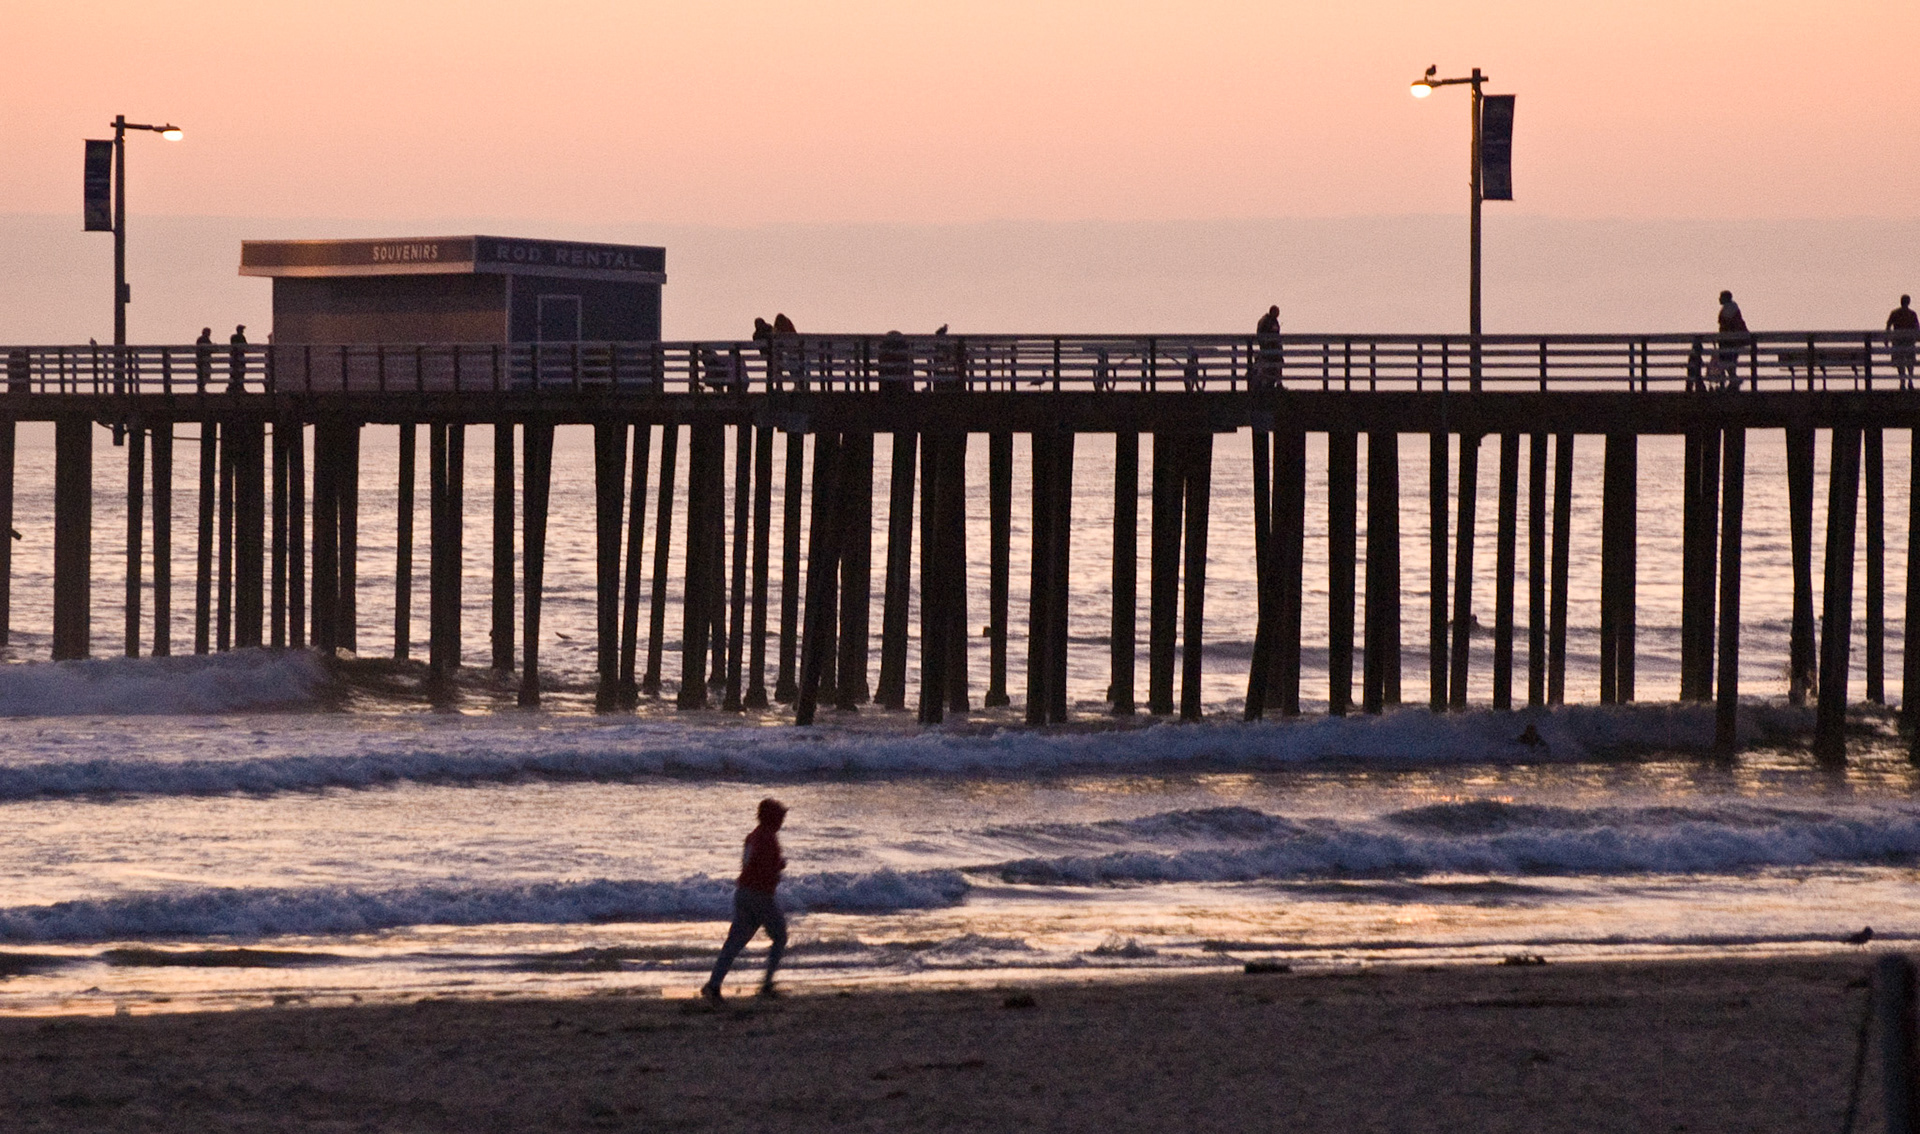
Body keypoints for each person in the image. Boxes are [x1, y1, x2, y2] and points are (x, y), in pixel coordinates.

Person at [701, 798, 789, 1002]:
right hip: (760, 896)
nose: (782, 820)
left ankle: (713, 984)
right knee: (780, 936)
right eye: (780, 816)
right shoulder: (767, 838)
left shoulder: (753, 836)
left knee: (734, 943)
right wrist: (779, 866)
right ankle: (766, 984)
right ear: (772, 818)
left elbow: (750, 864)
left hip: (744, 893)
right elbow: (765, 867)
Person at [1713, 291, 1746, 390]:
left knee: (1727, 360)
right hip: (1730, 340)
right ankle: (1733, 380)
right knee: (1729, 361)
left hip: (1729, 341)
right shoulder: (1731, 308)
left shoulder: (1729, 309)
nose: (1719, 299)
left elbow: (1726, 325)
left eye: (1721, 297)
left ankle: (1733, 380)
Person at [1887, 295, 1917, 389]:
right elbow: (1917, 328)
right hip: (1909, 342)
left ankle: (1902, 381)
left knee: (1900, 363)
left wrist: (1886, 339)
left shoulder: (1895, 313)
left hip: (1898, 341)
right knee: (1910, 362)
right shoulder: (1912, 314)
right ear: (1909, 302)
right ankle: (1910, 381)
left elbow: (1888, 326)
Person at [1254, 304, 1281, 387]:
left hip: (1272, 349)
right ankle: (1273, 383)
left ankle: (1275, 383)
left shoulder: (1271, 320)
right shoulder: (1266, 321)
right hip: (1268, 349)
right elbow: (1263, 335)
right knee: (1273, 365)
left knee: (1276, 364)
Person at [228, 324, 248, 392]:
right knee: (241, 372)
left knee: (233, 373)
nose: (243, 331)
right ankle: (240, 387)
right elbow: (245, 346)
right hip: (240, 357)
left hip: (233, 357)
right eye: (242, 330)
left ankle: (232, 387)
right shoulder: (241, 337)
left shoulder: (233, 337)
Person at [195, 328, 213, 392]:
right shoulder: (203, 339)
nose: (210, 334)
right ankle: (201, 388)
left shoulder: (202, 339)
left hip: (203, 360)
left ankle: (201, 388)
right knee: (203, 374)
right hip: (203, 360)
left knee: (203, 374)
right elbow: (209, 348)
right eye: (209, 332)